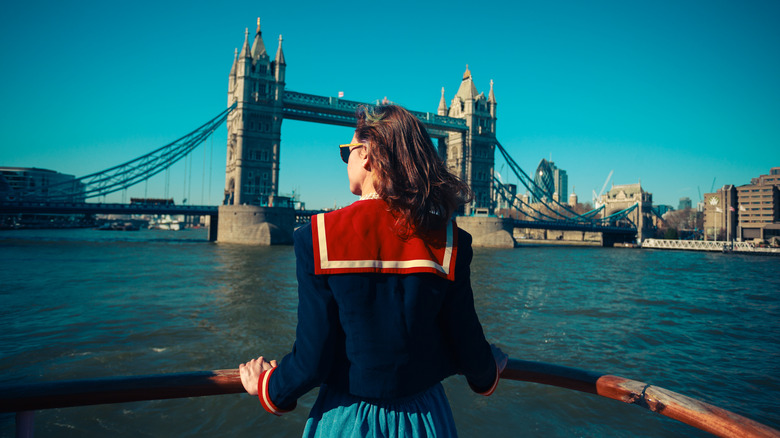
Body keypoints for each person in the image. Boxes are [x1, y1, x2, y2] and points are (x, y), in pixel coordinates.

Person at [239, 104, 508, 437]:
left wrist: (268, 386)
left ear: (365, 154)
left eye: (346, 152)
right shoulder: (451, 240)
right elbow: (467, 342)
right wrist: (487, 373)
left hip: (348, 419)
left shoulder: (317, 237)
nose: (345, 159)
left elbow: (312, 360)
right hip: (425, 419)